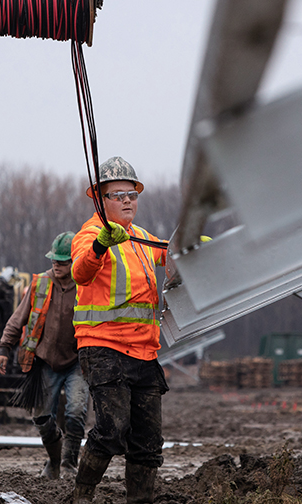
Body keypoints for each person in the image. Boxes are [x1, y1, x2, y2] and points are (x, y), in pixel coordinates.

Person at [69, 156, 168, 504]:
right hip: (103, 347)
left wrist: (193, 248)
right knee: (112, 429)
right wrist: (100, 246)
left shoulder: (140, 237)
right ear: (100, 200)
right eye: (118, 194)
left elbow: (168, 255)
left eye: (132, 193)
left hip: (143, 351)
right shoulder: (91, 234)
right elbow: (80, 272)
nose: (127, 200)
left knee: (148, 441)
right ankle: (81, 496)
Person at [0, 232, 89, 479]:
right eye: (54, 261)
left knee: (76, 411)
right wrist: (5, 348)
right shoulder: (41, 284)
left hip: (77, 362)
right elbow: (18, 318)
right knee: (42, 417)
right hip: (46, 361)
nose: (56, 265)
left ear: (75, 261)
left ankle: (69, 465)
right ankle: (55, 461)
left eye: (62, 261)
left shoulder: (87, 287)